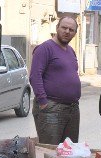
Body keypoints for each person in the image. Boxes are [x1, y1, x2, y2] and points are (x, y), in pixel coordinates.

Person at [29, 16, 80, 144]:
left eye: (71, 29)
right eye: (64, 27)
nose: (67, 31)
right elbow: (35, 75)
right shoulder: (45, 48)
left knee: (69, 152)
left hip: (72, 109)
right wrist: (43, 101)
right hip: (51, 109)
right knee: (51, 152)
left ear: (75, 33)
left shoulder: (71, 51)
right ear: (57, 28)